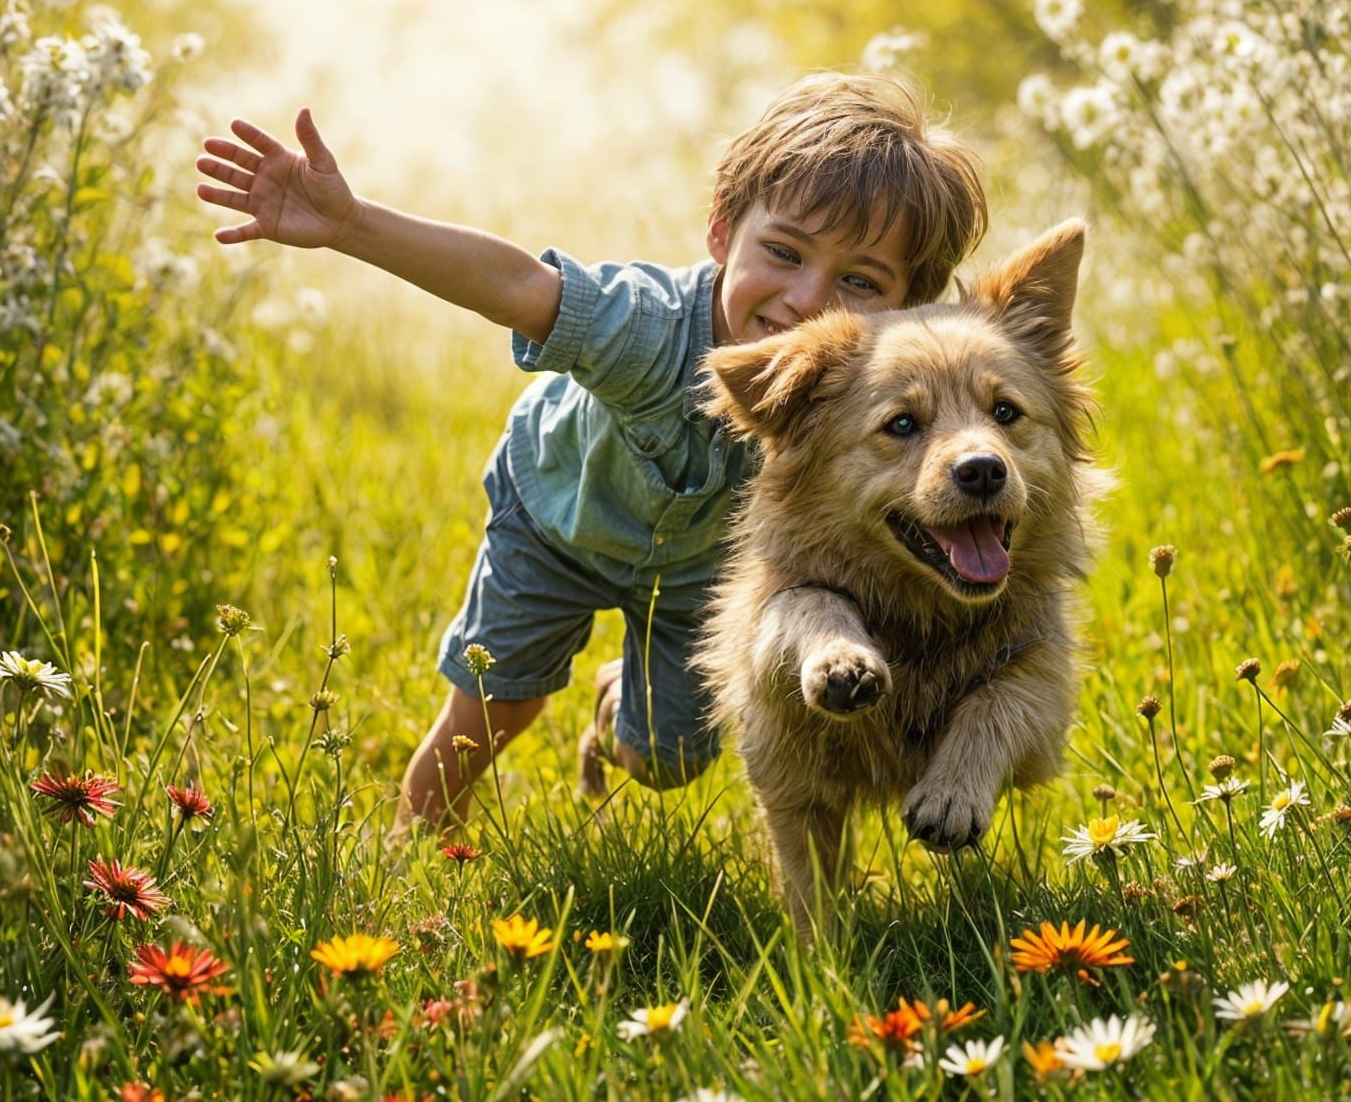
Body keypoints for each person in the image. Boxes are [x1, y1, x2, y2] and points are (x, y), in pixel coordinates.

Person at [194, 71, 988, 835]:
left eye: (860, 281)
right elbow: (512, 283)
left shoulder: (873, 399)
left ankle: (617, 707)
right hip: (557, 519)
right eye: (783, 252)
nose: (807, 300)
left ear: (910, 302)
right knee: (494, 705)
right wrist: (351, 225)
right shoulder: (643, 329)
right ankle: (412, 849)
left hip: (696, 577)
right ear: (722, 227)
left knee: (668, 757)